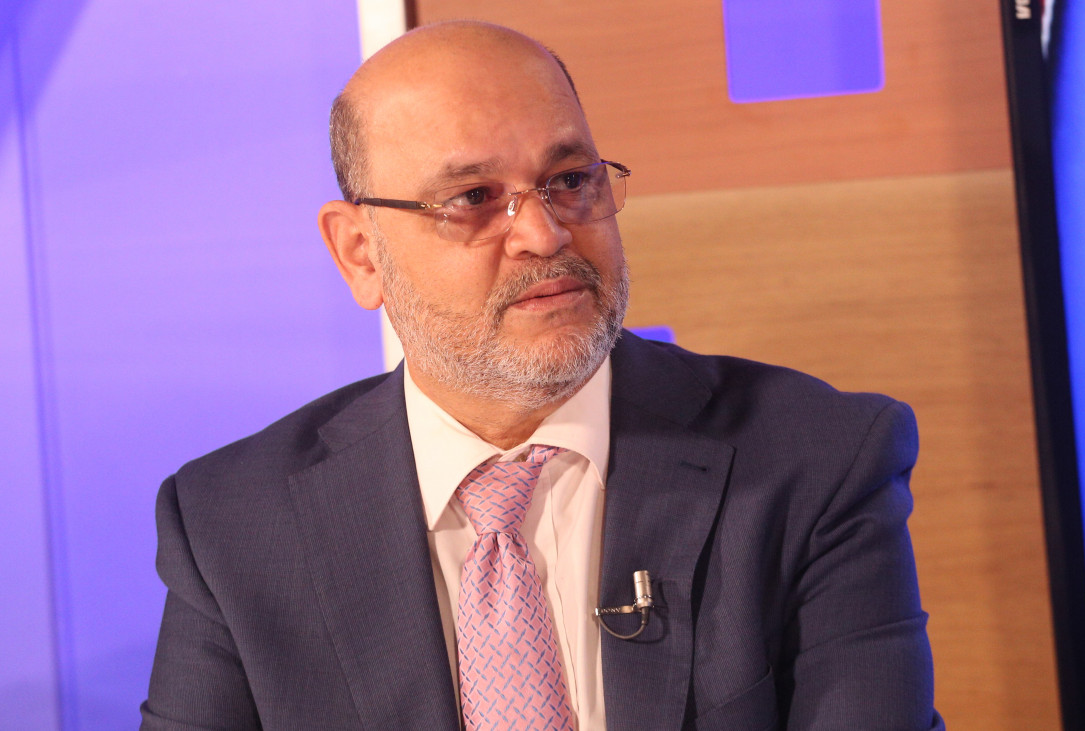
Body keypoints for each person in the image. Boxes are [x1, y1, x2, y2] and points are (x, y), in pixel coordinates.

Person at [141, 20, 943, 731]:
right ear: (359, 253)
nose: (543, 233)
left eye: (569, 180)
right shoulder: (234, 524)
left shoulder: (815, 461)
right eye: (473, 197)